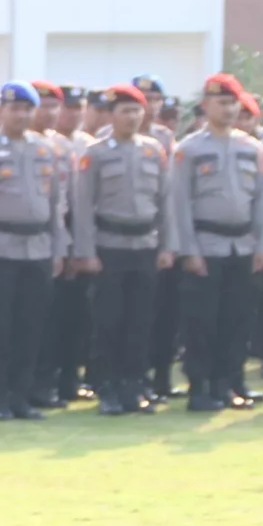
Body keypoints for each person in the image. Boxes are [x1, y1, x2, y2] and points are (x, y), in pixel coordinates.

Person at [0, 83, 71, 422]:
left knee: (31, 327)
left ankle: (22, 396)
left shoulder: (46, 150)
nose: (21, 115)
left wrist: (58, 248)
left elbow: (55, 205)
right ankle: (0, 397)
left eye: (26, 109)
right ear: (0, 112)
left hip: (37, 248)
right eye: (14, 109)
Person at [166, 74, 263, 413]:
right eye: (221, 103)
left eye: (233, 103)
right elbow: (178, 203)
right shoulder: (189, 149)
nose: (228, 109)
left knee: (237, 320)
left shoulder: (253, 148)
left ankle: (227, 384)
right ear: (206, 106)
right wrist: (188, 250)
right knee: (201, 323)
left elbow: (262, 201)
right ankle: (200, 386)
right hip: (205, 244)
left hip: (241, 245)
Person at [72, 84, 174, 414]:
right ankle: (108, 388)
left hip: (144, 245)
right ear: (111, 114)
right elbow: (83, 206)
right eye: (125, 111)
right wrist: (86, 252)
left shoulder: (153, 150)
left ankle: (135, 386)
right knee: (109, 321)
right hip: (109, 246)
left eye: (136, 110)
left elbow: (165, 202)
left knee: (141, 321)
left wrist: (166, 246)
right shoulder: (96, 153)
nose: (132, 117)